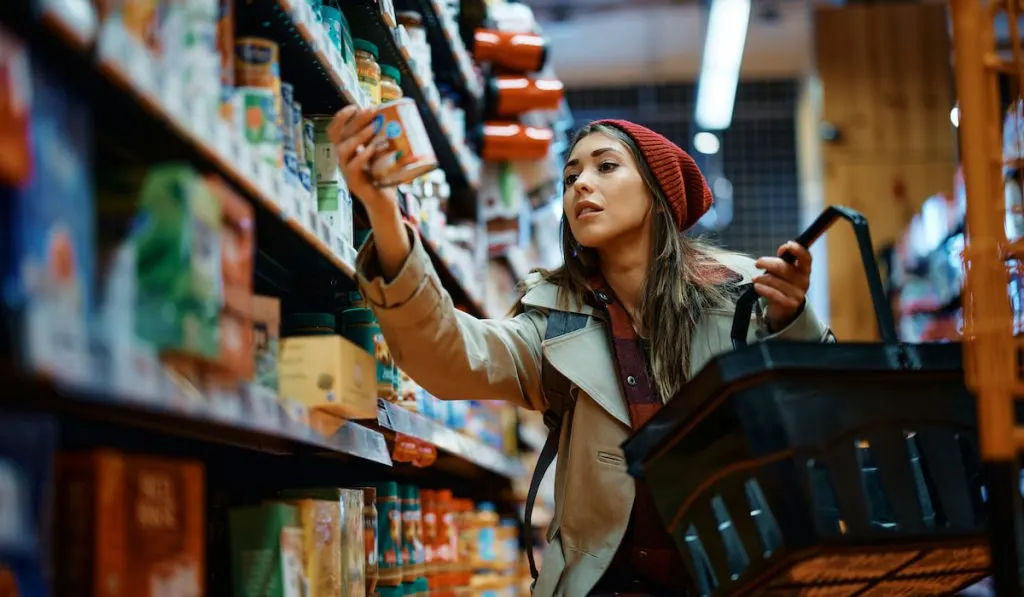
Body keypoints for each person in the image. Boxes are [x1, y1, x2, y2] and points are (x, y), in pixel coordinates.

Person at [330, 107, 834, 597]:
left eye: (606, 166)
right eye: (570, 177)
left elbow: (820, 411)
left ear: (658, 190)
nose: (580, 185)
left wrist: (792, 321)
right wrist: (383, 213)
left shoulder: (741, 297)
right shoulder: (556, 321)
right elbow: (448, 354)